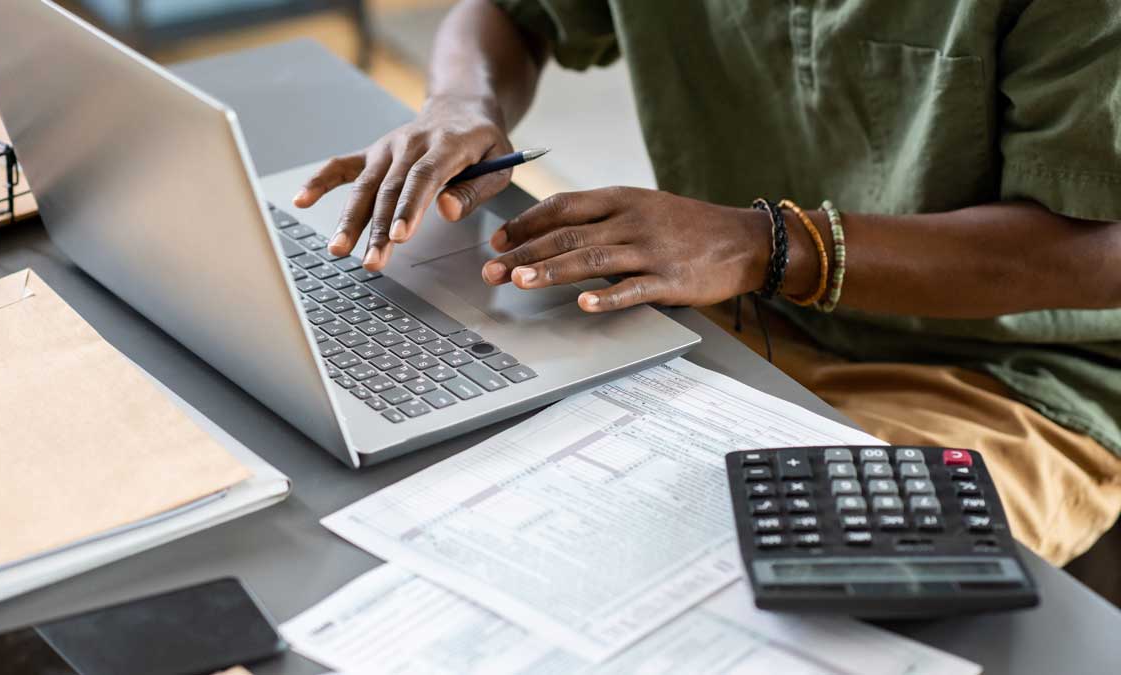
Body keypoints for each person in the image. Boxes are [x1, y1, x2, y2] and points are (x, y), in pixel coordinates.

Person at [292, 0, 1121, 571]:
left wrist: (763, 243)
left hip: (1009, 380)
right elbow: (516, 11)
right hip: (725, 312)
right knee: (467, 501)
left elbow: (1099, 252)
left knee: (745, 588)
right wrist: (460, 100)